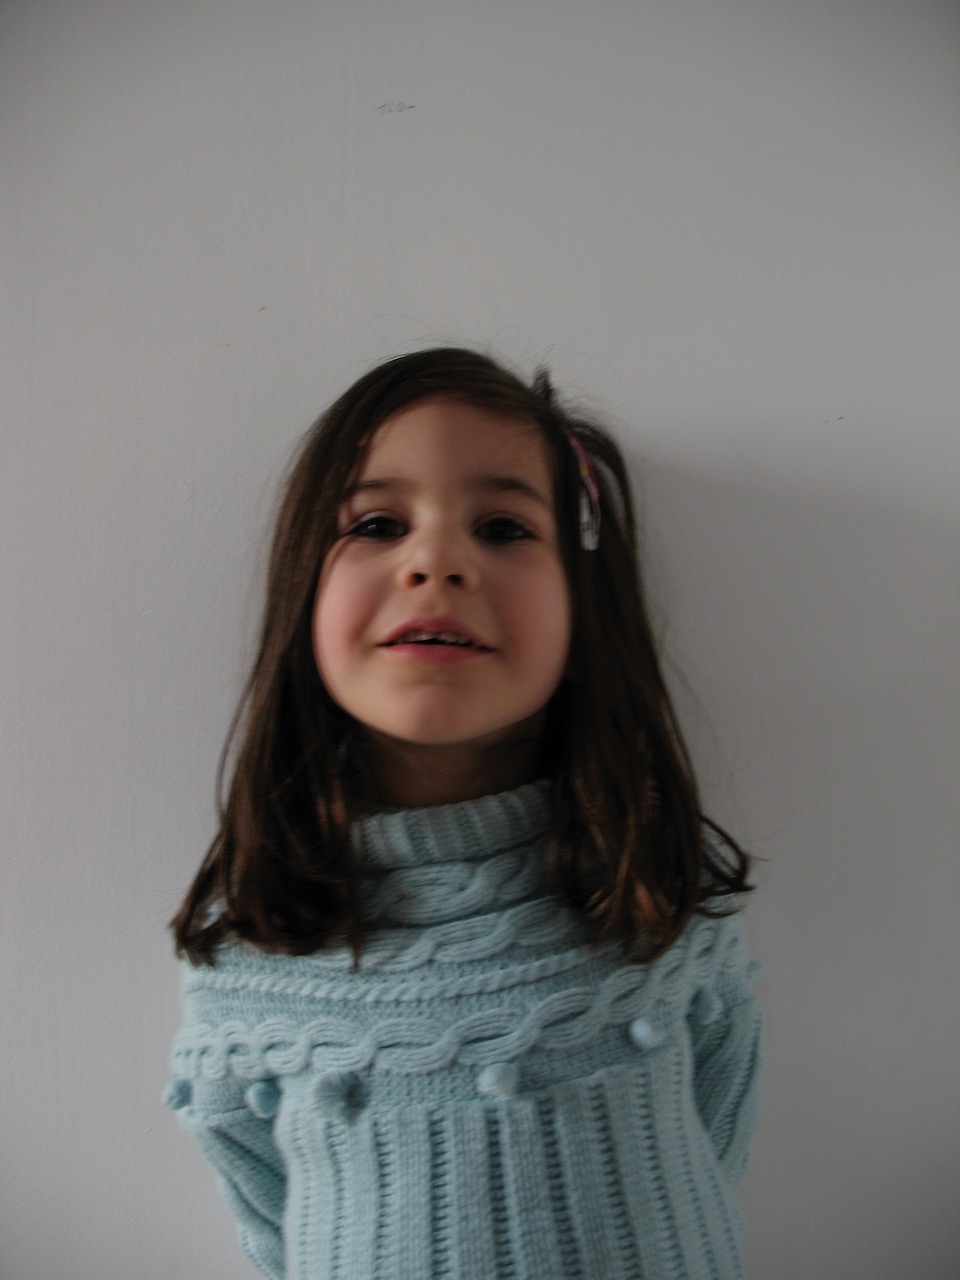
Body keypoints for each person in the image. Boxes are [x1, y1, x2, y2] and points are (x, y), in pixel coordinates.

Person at [165, 347, 762, 1280]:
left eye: (502, 527)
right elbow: (267, 1218)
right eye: (376, 523)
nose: (438, 561)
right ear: (302, 593)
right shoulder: (249, 952)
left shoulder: (652, 891)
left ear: (585, 611)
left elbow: (717, 1133)